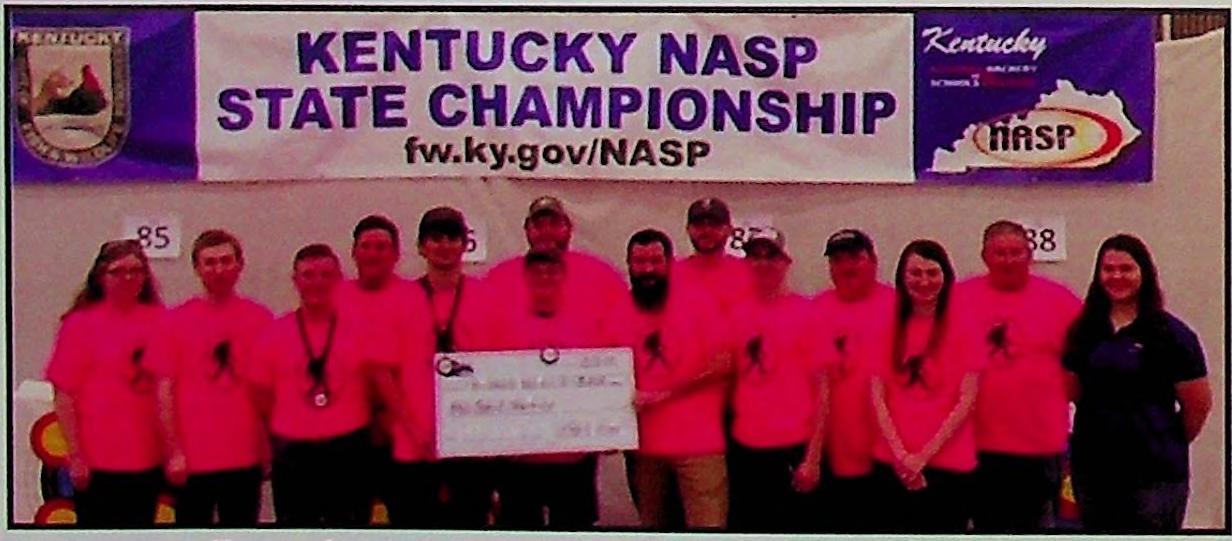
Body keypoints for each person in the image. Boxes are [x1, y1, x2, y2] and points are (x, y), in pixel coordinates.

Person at [1062, 234, 1212, 533]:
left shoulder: (1172, 334)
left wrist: (1164, 440)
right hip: (1094, 470)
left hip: (1155, 476)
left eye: (1126, 269)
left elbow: (1198, 405)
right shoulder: (1084, 331)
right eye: (1109, 269)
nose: (1116, 276)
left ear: (1144, 273)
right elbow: (1074, 390)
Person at [954, 221, 1082, 532]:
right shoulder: (958, 299)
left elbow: (1083, 365)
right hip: (976, 445)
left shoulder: (1061, 300)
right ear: (985, 256)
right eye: (1000, 253)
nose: (1008, 260)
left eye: (1016, 252)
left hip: (1041, 446)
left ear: (1030, 254)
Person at [245, 244, 381, 527]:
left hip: (348, 450)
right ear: (295, 280)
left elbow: (376, 387)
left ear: (339, 279)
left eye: (325, 275)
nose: (317, 283)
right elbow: (261, 395)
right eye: (308, 275)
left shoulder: (363, 329)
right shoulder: (274, 333)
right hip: (293, 453)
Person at [480, 249, 617, 529]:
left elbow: (606, 383)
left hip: (573, 458)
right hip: (519, 459)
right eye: (537, 272)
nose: (545, 278)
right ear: (525, 277)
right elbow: (486, 385)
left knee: (574, 529)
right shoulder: (501, 325)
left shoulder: (588, 324)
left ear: (563, 276)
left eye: (551, 271)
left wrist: (612, 428)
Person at [146, 230, 273, 527]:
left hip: (244, 456)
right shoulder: (173, 322)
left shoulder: (260, 318)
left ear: (240, 265)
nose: (219, 270)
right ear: (197, 268)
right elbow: (163, 392)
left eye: (226, 261)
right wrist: (173, 452)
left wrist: (268, 445)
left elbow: (268, 391)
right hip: (193, 460)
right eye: (210, 262)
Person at [44, 239, 165, 527]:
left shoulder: (162, 321)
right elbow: (64, 394)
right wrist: (76, 456)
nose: (127, 278)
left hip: (147, 458)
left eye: (135, 270)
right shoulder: (78, 325)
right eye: (117, 271)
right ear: (100, 276)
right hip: (95, 461)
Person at [621, 229, 731, 531]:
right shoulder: (617, 309)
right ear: (629, 264)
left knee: (707, 530)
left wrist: (665, 393)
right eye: (639, 262)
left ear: (670, 262)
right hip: (642, 449)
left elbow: (724, 362)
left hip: (699, 446)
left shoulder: (699, 302)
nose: (647, 269)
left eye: (655, 261)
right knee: (652, 530)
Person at [870, 240, 981, 533]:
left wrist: (922, 457)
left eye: (932, 273)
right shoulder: (884, 324)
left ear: (946, 276)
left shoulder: (965, 325)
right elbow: (877, 397)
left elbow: (967, 400)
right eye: (915, 273)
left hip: (949, 463)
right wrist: (901, 456)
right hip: (892, 463)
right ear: (901, 277)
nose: (924, 281)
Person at [334, 215, 437, 527]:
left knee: (411, 521)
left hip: (401, 431)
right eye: (366, 246)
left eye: (382, 247)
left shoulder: (413, 297)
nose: (373, 253)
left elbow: (404, 366)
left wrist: (409, 426)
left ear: (396, 254)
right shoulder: (336, 296)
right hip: (348, 433)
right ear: (354, 253)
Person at [726, 228, 827, 533]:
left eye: (770, 257)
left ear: (786, 262)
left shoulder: (808, 313)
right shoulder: (736, 314)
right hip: (746, 448)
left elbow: (824, 390)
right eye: (755, 257)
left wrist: (813, 458)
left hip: (793, 447)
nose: (762, 264)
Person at [409, 206, 497, 528]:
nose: (444, 245)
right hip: (415, 439)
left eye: (452, 238)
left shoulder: (487, 296)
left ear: (465, 245)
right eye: (435, 238)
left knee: (470, 522)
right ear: (421, 247)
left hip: (472, 437)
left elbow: (503, 365)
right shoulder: (402, 298)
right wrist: (410, 427)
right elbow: (385, 370)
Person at [811, 229, 895, 532]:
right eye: (838, 260)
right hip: (833, 454)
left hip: (890, 455)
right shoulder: (816, 309)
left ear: (873, 261)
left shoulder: (899, 306)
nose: (847, 266)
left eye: (855, 258)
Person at [483, 196, 627, 330]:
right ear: (526, 229)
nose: (546, 232)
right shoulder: (499, 278)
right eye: (538, 225)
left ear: (569, 227)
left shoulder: (602, 276)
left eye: (554, 224)